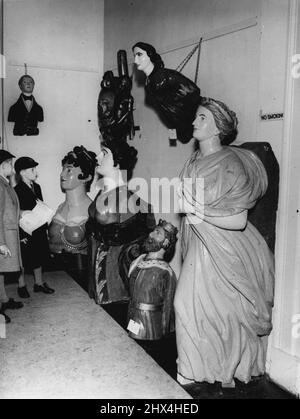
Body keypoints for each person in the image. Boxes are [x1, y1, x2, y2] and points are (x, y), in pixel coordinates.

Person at [174, 97, 274, 387]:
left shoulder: (231, 164)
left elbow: (238, 220)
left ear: (218, 128)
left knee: (202, 308)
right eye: (196, 117)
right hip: (198, 240)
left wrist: (195, 210)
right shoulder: (193, 160)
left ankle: (206, 368)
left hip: (224, 247)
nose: (194, 122)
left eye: (202, 118)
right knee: (199, 308)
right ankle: (196, 368)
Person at [87, 141, 156, 305]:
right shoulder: (104, 193)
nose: (98, 157)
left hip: (114, 282)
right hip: (97, 278)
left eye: (105, 154)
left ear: (117, 163)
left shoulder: (124, 198)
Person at [132, 42, 201, 143]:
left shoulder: (164, 75)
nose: (135, 60)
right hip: (178, 127)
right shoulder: (149, 82)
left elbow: (193, 91)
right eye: (134, 56)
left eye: (139, 54)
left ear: (150, 55)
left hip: (189, 122)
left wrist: (173, 104)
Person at [127, 219, 178, 341]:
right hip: (133, 319)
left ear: (166, 242)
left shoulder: (165, 272)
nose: (150, 234)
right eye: (153, 231)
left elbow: (169, 306)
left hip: (151, 328)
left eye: (157, 233)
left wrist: (165, 331)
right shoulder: (139, 262)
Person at [14, 157, 54, 297]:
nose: (35, 172)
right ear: (23, 172)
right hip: (25, 230)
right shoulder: (16, 190)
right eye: (32, 169)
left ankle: (39, 283)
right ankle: (21, 286)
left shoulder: (36, 187)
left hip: (39, 228)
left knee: (39, 256)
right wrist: (21, 235)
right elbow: (16, 214)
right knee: (24, 259)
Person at [49, 146, 97, 261]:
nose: (62, 174)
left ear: (86, 177)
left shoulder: (92, 211)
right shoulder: (60, 208)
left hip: (80, 273)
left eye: (69, 170)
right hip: (54, 274)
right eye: (63, 169)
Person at [0, 150, 23, 323]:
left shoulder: (4, 183)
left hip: (9, 233)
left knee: (1, 271)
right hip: (3, 236)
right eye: (9, 163)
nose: (11, 167)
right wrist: (1, 243)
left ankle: (4, 301)